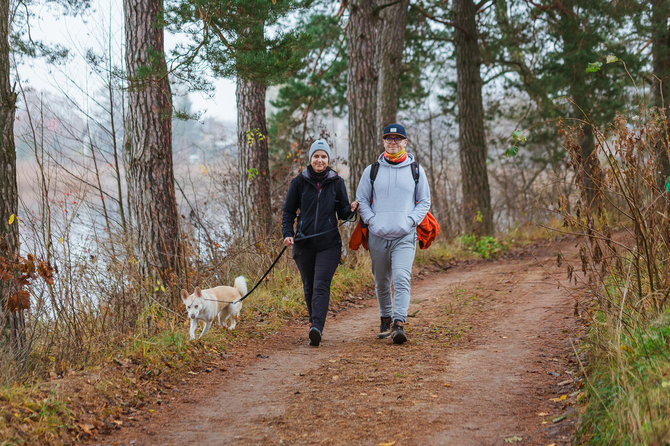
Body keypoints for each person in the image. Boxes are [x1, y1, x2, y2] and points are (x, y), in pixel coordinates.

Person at [356, 123, 431, 344]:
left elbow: (424, 200)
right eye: (389, 138)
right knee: (381, 281)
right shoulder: (372, 170)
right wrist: (371, 221)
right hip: (378, 235)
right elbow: (361, 199)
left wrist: (410, 221)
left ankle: (399, 323)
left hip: (405, 236)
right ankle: (385, 318)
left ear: (405, 142)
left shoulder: (415, 170)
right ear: (383, 142)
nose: (393, 142)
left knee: (401, 277)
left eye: (397, 139)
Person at [282, 139, 358, 347]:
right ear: (310, 159)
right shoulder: (298, 182)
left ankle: (317, 327)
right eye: (316, 156)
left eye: (323, 156)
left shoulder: (336, 182)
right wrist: (288, 233)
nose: (320, 160)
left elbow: (342, 212)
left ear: (328, 159)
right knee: (308, 286)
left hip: (329, 244)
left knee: (321, 285)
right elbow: (288, 212)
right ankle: (313, 322)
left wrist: (351, 209)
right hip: (303, 244)